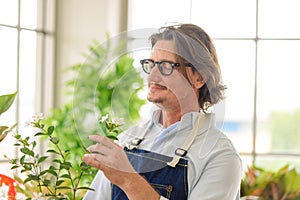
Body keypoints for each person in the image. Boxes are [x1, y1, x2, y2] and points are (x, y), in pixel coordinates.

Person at [83, 24, 242, 200]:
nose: (152, 76)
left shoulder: (220, 156)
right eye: (151, 64)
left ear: (199, 77)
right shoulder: (127, 140)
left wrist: (129, 180)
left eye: (166, 66)